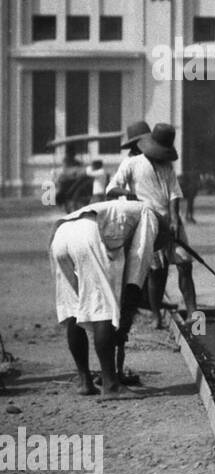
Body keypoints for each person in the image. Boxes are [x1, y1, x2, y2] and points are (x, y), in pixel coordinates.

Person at [50, 198, 159, 399]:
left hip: (61, 235)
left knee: (76, 308)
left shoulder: (120, 208)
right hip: (87, 235)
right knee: (104, 307)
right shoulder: (149, 215)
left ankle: (85, 381)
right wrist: (125, 316)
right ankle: (111, 386)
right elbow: (139, 260)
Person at [105, 123, 197, 327]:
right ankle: (156, 316)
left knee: (185, 264)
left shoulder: (167, 166)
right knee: (156, 272)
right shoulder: (132, 163)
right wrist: (127, 194)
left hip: (171, 223)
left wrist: (174, 219)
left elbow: (174, 193)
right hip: (149, 222)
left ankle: (193, 313)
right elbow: (111, 188)